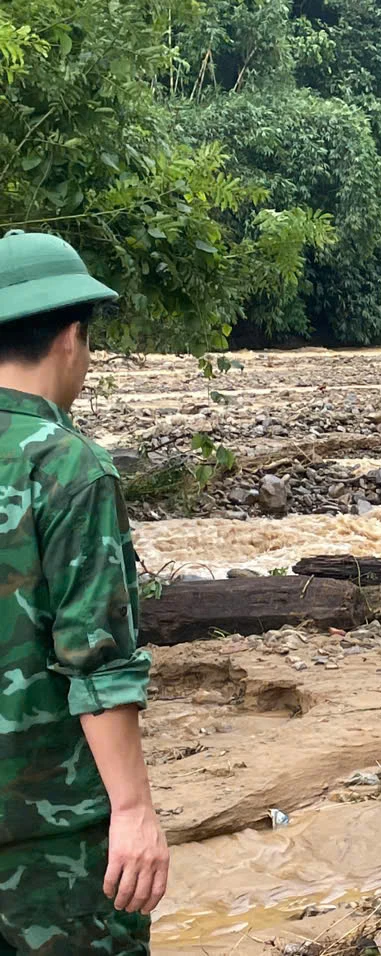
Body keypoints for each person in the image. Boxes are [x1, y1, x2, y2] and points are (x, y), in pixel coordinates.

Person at [0, 230, 168, 955]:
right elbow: (95, 660)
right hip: (49, 833)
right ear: (71, 337)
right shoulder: (69, 468)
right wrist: (132, 810)